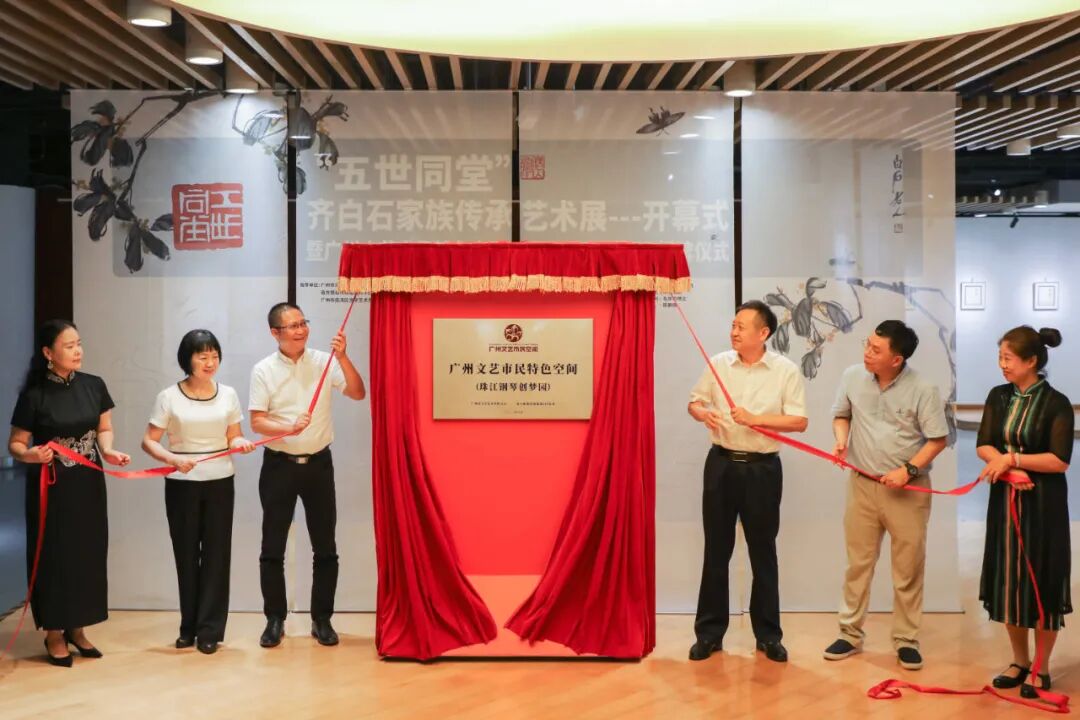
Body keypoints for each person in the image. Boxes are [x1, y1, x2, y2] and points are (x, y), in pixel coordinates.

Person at [686, 300, 808, 663]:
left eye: (741, 326)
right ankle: (709, 634)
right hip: (721, 465)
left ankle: (768, 636)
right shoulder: (718, 363)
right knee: (716, 551)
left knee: (763, 553)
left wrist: (757, 419)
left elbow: (799, 421)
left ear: (763, 333)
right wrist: (702, 414)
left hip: (762, 470)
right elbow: (694, 403)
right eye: (733, 325)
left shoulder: (785, 371)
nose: (734, 332)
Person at [822, 320, 948, 671]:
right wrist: (841, 440)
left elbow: (937, 439)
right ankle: (849, 633)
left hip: (908, 491)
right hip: (862, 485)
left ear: (897, 359)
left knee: (907, 568)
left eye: (876, 350)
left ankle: (906, 639)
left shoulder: (923, 389)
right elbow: (841, 415)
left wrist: (908, 470)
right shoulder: (852, 376)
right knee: (858, 564)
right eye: (867, 344)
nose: (867, 352)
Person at [7, 320, 131, 667]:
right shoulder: (35, 394)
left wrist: (109, 450)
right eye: (69, 346)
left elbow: (104, 428)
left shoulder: (94, 385)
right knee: (54, 557)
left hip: (87, 484)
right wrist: (30, 455)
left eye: (79, 343)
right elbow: (16, 443)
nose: (78, 351)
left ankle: (78, 628)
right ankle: (54, 633)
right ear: (49, 353)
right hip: (51, 486)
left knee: (86, 554)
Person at [249, 303, 365, 648]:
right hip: (279, 466)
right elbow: (257, 422)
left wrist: (343, 357)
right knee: (272, 548)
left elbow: (358, 392)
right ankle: (275, 619)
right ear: (275, 333)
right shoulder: (263, 370)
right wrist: (288, 426)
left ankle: (322, 619)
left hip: (318, 465)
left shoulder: (324, 361)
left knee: (325, 547)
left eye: (303, 323)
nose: (301, 330)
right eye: (292, 326)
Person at [141, 329, 256, 655]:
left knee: (217, 555)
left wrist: (240, 443)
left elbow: (233, 435)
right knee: (187, 555)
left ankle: (210, 630)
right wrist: (172, 459)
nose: (210, 362)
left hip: (220, 482)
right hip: (182, 484)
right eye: (202, 356)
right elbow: (149, 441)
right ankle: (187, 627)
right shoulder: (169, 397)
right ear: (187, 360)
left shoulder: (228, 394)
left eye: (214, 355)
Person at [976, 326, 1072, 698]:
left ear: (1032, 361)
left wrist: (1012, 459)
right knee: (1008, 581)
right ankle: (1019, 660)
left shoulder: (1056, 403)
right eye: (1000, 357)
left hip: (1043, 503)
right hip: (1005, 499)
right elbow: (984, 444)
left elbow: (1059, 460)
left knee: (1042, 581)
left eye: (1009, 358)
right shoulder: (998, 396)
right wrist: (1006, 468)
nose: (1002, 365)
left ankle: (1041, 667)